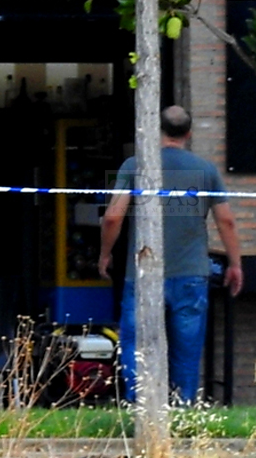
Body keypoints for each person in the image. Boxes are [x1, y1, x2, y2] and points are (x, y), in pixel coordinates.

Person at [98, 106, 243, 404]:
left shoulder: (135, 166)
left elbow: (113, 217)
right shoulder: (206, 170)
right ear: (189, 134)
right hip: (191, 274)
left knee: (136, 347)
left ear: (156, 131)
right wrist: (235, 264)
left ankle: (139, 409)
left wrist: (105, 254)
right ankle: (183, 411)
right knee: (186, 352)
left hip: (142, 274)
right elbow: (226, 220)